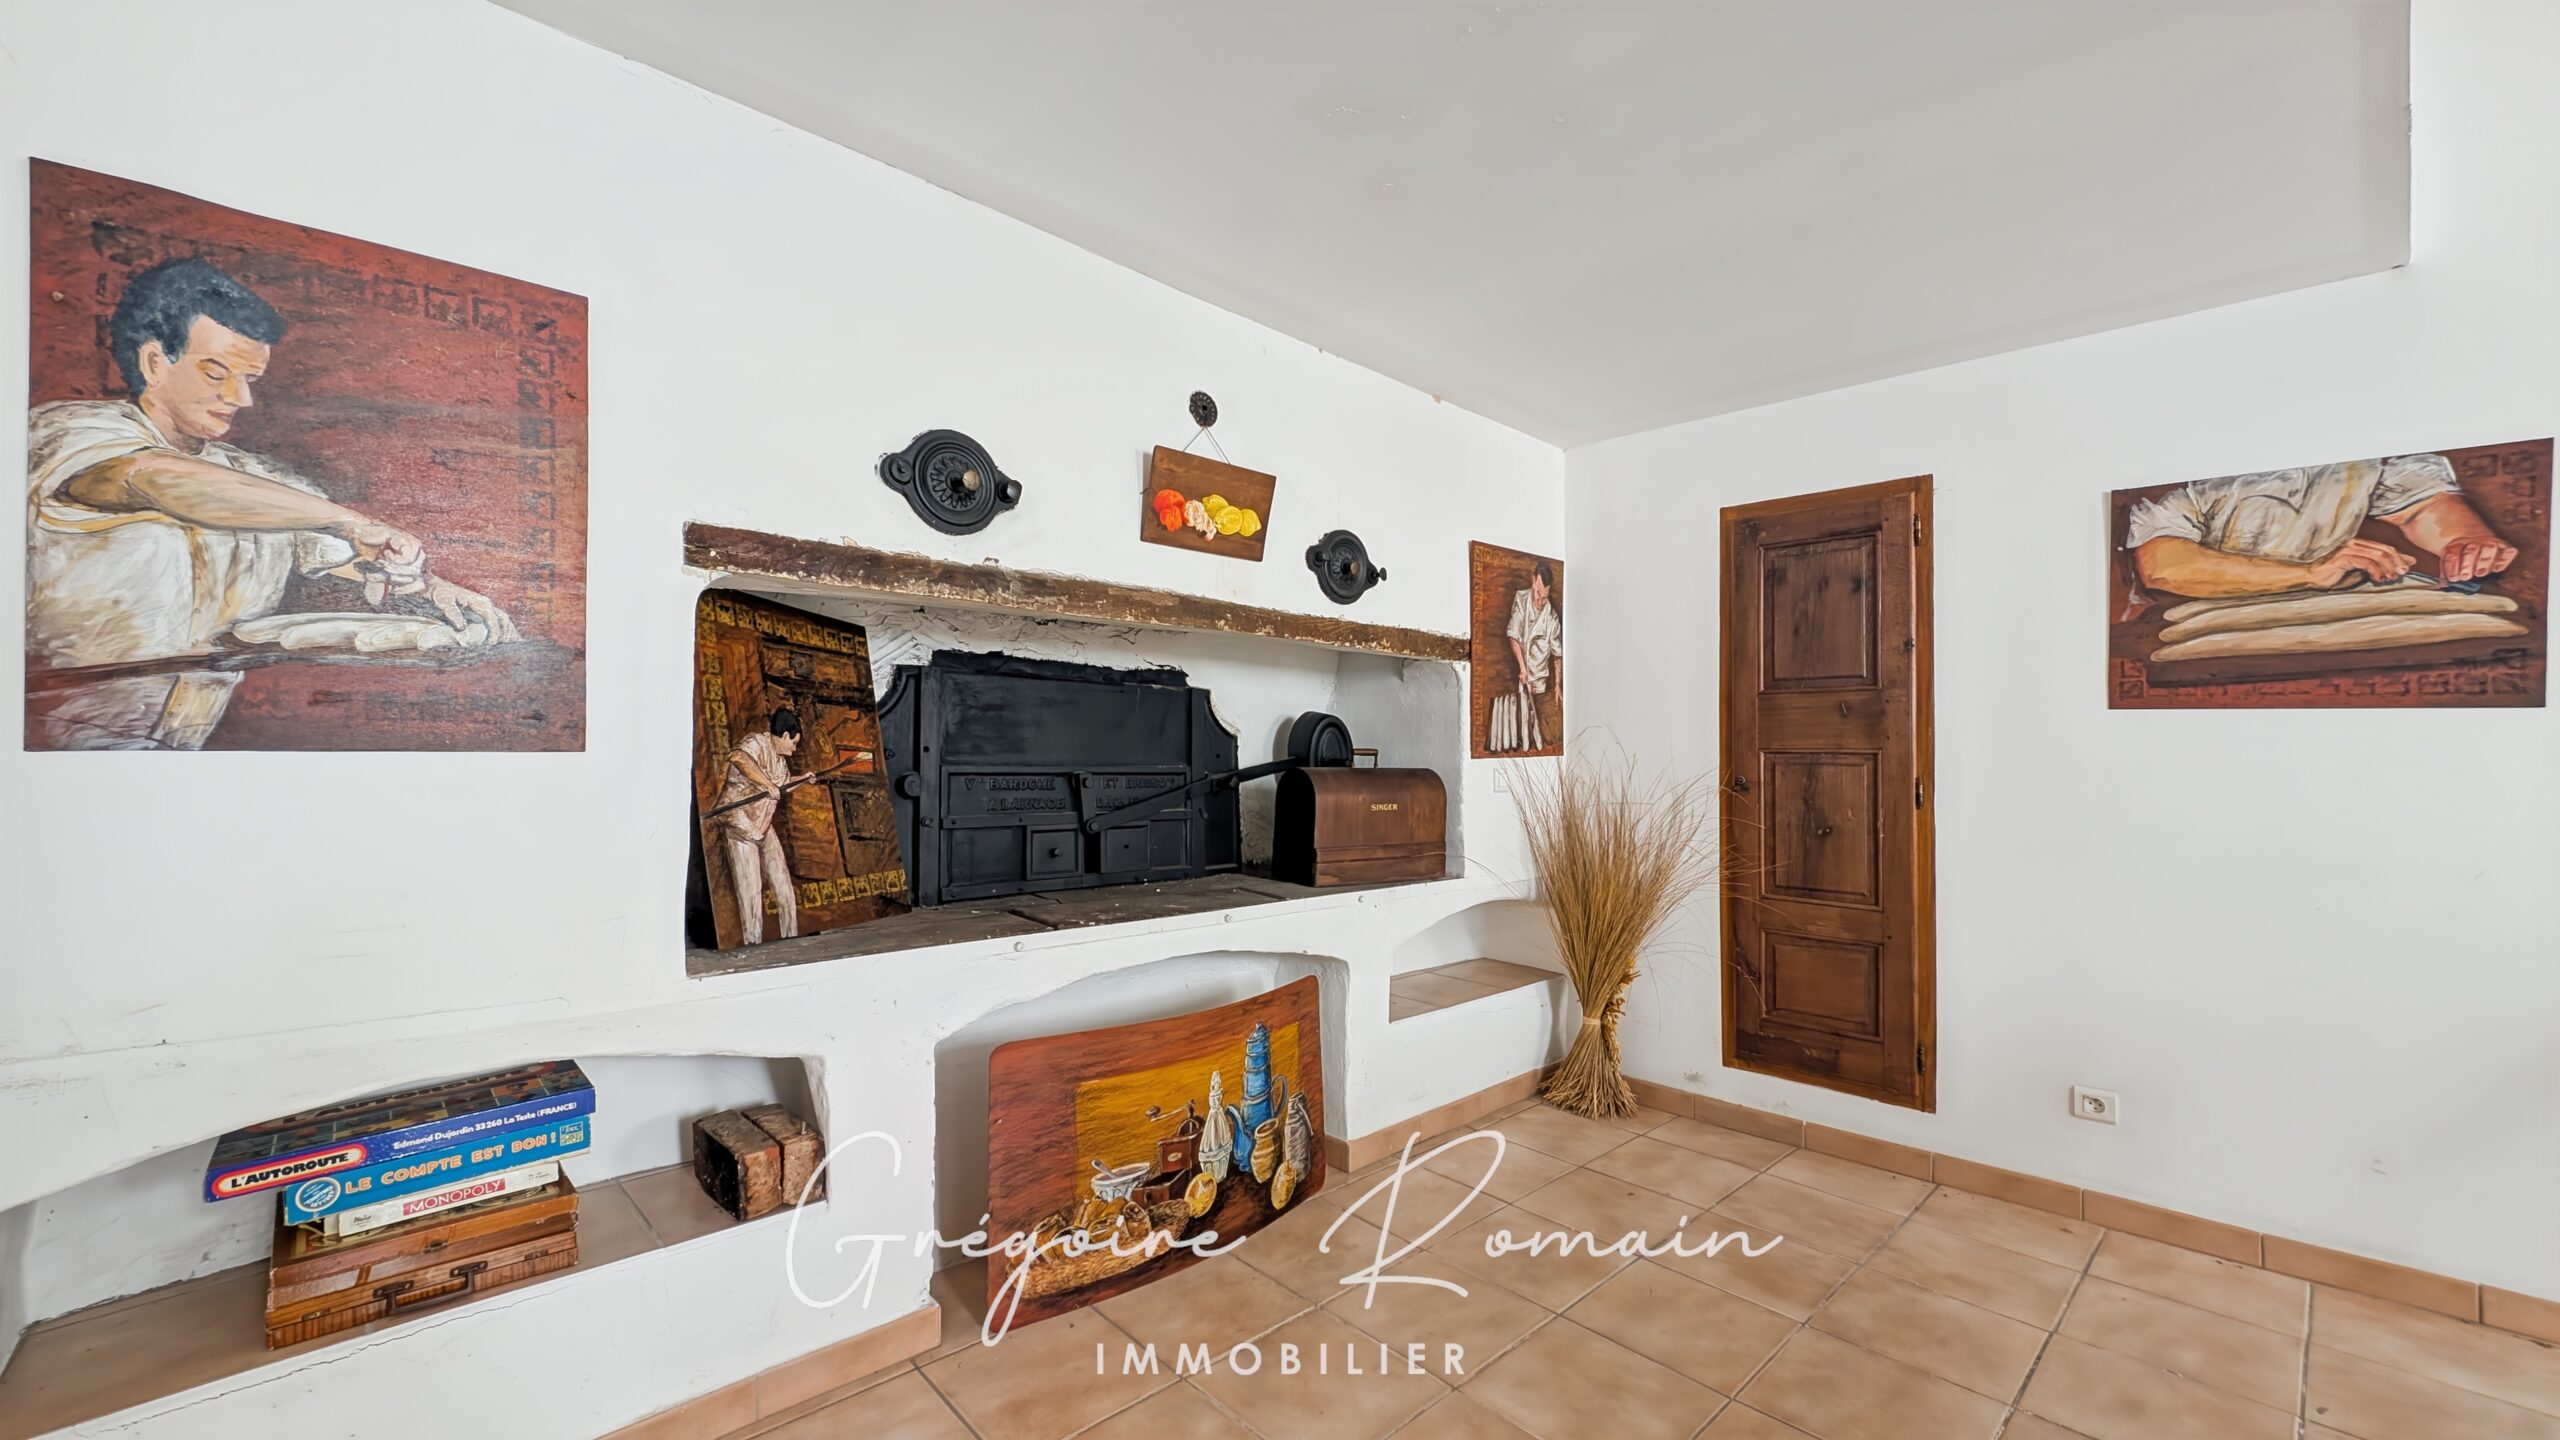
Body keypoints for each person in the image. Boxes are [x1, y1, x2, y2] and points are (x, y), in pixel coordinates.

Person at [25, 257, 518, 749]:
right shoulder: (69, 432)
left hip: (180, 747)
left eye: (250, 379)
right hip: (54, 743)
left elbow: (351, 564)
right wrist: (348, 521)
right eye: (216, 373)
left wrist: (426, 590)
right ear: (155, 362)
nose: (241, 398)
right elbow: (153, 478)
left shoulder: (261, 479)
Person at [2126, 453, 2518, 598]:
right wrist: (2311, 573)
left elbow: (2420, 506)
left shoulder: (2368, 448)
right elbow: (2164, 565)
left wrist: (2465, 541)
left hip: (2336, 601)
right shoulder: (2180, 463)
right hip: (2224, 610)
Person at [714, 707, 812, 945]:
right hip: (740, 826)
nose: (794, 749)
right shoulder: (756, 742)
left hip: (763, 826)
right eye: (794, 743)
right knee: (751, 893)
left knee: (784, 889)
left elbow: (782, 786)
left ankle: (791, 939)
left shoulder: (780, 762)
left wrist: (803, 779)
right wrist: (767, 784)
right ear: (785, 735)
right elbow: (739, 758)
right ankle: (753, 946)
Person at [1488, 562, 1561, 753]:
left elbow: (1557, 654)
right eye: (1537, 594)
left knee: (1541, 729)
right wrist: (1522, 669)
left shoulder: (1552, 618)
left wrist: (1557, 685)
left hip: (1540, 678)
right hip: (1523, 674)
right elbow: (1514, 635)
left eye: (1545, 597)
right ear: (1533, 581)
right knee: (1521, 722)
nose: (1540, 600)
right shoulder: (1521, 600)